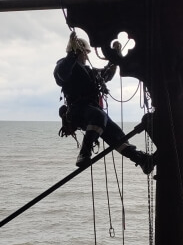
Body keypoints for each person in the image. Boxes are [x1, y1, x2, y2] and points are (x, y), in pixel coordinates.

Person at [54, 31, 155, 173]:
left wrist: (114, 57)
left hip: (92, 111)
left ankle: (140, 159)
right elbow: (62, 75)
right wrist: (72, 55)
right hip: (78, 110)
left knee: (117, 135)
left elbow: (106, 75)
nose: (86, 55)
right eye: (84, 52)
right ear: (77, 52)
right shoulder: (63, 66)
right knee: (99, 117)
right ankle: (84, 153)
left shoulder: (89, 71)